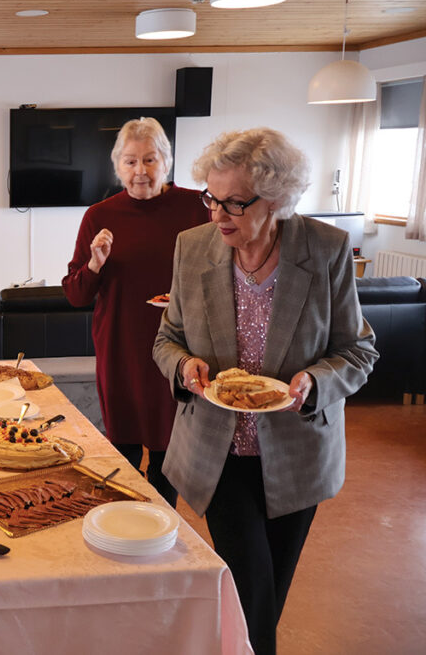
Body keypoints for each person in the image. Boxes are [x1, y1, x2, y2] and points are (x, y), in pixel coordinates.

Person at [152, 128, 377, 655]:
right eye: (212, 198)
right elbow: (167, 338)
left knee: (268, 591)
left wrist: (314, 381)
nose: (218, 214)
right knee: (250, 587)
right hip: (218, 450)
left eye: (235, 202)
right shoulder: (193, 248)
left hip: (298, 452)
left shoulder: (325, 250)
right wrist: (184, 366)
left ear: (277, 200)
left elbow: (359, 351)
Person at [61, 117, 208, 506]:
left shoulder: (198, 208)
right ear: (117, 166)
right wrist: (94, 263)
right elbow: (75, 294)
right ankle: (123, 522)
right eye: (129, 161)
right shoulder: (100, 215)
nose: (140, 171)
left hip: (180, 345)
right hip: (121, 344)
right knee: (122, 447)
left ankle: (162, 524)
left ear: (167, 162)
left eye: (149, 159)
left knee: (169, 451)